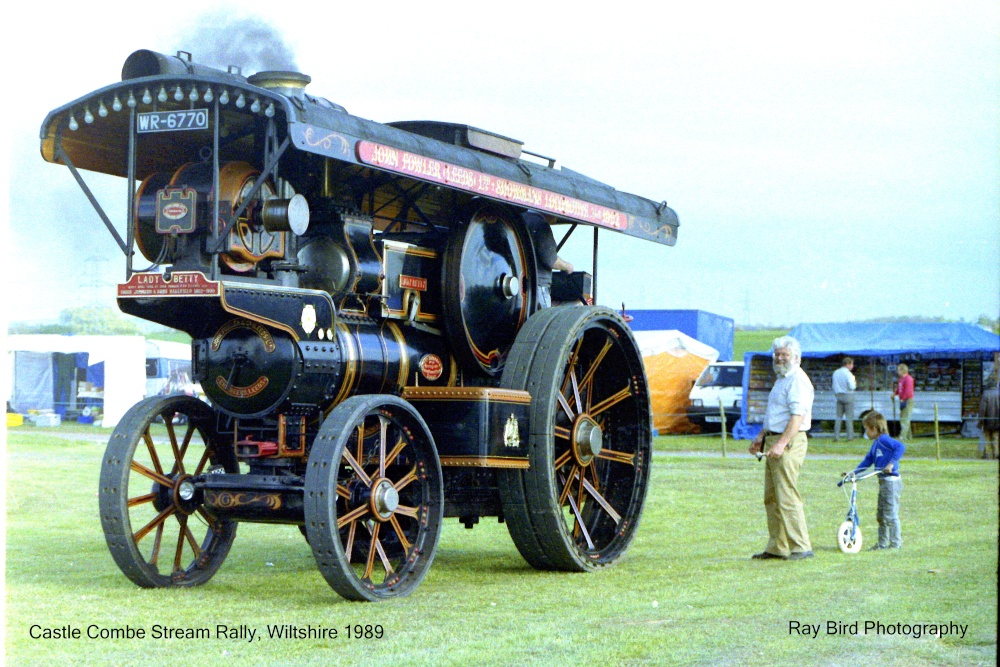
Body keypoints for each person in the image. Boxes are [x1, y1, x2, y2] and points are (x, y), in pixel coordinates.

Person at [749, 336, 814, 561]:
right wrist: (760, 436)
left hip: (789, 442)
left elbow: (797, 417)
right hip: (774, 440)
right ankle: (778, 547)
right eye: (777, 354)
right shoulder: (782, 379)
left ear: (796, 358)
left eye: (784, 354)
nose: (779, 358)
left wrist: (781, 443)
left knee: (786, 496)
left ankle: (801, 547)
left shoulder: (797, 380)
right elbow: (775, 415)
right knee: (772, 498)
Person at [850, 410, 905, 550]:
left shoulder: (884, 440)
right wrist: (854, 473)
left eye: (866, 429)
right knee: (881, 515)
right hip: (883, 481)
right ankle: (882, 544)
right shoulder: (876, 444)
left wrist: (891, 464)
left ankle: (895, 544)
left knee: (890, 514)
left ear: (874, 429)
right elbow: (868, 461)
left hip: (891, 482)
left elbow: (900, 447)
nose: (866, 432)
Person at [522, 211, 573, 309]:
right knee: (544, 321)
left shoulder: (521, 219)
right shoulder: (541, 225)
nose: (557, 217)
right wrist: (567, 267)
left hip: (522, 284)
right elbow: (550, 260)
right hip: (539, 285)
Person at [832, 356, 857, 441]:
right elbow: (852, 386)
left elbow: (834, 385)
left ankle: (836, 436)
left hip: (838, 395)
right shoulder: (849, 374)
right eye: (852, 364)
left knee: (838, 417)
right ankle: (850, 437)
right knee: (849, 417)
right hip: (848, 395)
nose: (852, 366)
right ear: (848, 364)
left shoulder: (836, 372)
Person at [978, 373, 999, 460]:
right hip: (998, 421)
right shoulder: (999, 393)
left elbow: (982, 410)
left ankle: (988, 455)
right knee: (995, 438)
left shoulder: (985, 394)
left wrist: (980, 422)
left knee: (987, 438)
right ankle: (996, 454)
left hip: (987, 421)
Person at [893, 363, 915, 441]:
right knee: (903, 417)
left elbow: (908, 391)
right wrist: (895, 394)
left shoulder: (908, 379)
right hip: (902, 399)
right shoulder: (901, 379)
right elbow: (899, 389)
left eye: (899, 370)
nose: (897, 372)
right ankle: (909, 436)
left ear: (903, 370)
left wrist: (904, 398)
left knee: (905, 418)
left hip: (907, 400)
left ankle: (902, 436)